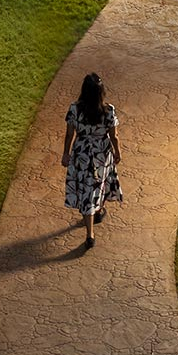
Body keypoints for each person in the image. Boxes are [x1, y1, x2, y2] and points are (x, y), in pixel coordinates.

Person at [61, 73, 123, 250]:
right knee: (101, 183)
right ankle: (96, 216)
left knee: (86, 189)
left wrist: (66, 154)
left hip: (81, 154)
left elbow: (69, 134)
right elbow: (114, 136)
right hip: (102, 154)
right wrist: (118, 152)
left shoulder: (74, 109)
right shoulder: (108, 110)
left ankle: (90, 233)